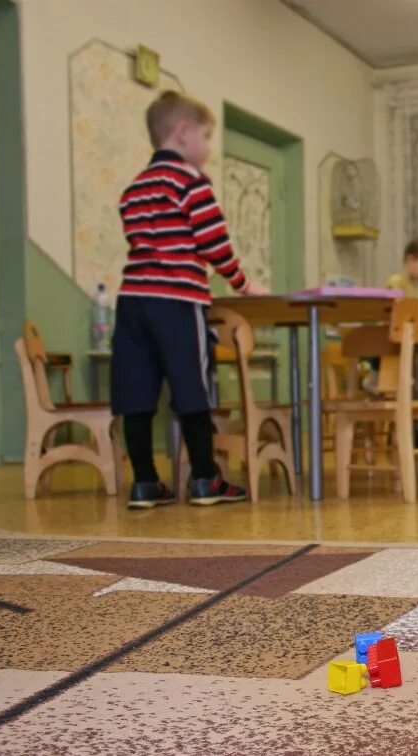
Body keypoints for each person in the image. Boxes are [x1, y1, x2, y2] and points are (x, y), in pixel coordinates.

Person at [113, 90, 262, 509]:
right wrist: (242, 282)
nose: (209, 148)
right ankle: (203, 479)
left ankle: (145, 483)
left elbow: (142, 240)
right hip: (177, 301)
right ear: (183, 133)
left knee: (136, 394)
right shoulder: (191, 183)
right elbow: (214, 243)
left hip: (132, 301)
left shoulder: (134, 188)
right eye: (207, 136)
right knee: (192, 387)